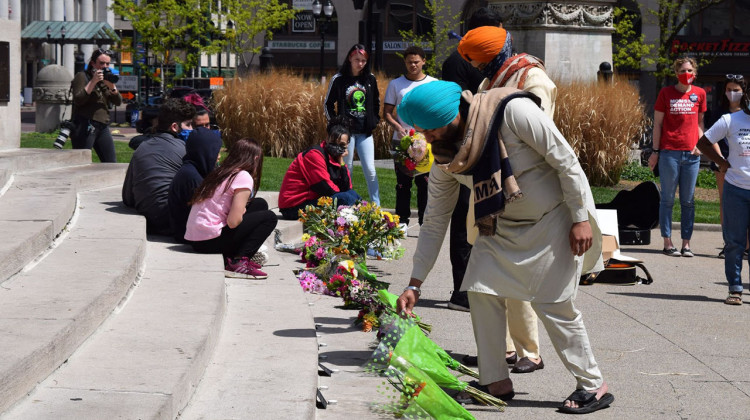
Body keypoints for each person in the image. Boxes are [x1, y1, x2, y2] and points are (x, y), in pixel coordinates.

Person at [396, 81, 612, 414]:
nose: (428, 138)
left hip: (554, 221)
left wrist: (581, 218)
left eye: (433, 129)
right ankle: (494, 380)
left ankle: (593, 385)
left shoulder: (512, 112)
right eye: (423, 132)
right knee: (480, 291)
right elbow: (435, 219)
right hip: (498, 226)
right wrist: (415, 283)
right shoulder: (445, 156)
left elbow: (566, 161)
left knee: (553, 304)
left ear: (453, 114)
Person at [456, 23, 562, 374]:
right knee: (487, 281)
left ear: (495, 55)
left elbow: (538, 139)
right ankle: (498, 351)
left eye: (480, 61)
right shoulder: (493, 80)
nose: (478, 70)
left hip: (521, 191)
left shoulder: (531, 80)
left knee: (516, 278)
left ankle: (529, 351)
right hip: (490, 188)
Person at [439, 7, 498, 313]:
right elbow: (454, 108)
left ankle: (475, 286)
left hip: (483, 151)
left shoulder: (488, 63)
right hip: (464, 152)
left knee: (477, 221)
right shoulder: (456, 63)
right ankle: (461, 292)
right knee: (463, 221)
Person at [185, 138, 278, 279]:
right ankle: (239, 261)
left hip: (196, 239)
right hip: (209, 241)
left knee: (260, 204)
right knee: (269, 217)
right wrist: (240, 213)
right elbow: (233, 222)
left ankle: (235, 255)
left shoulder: (220, 172)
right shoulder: (243, 176)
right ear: (256, 158)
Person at [697, 75, 750, 306]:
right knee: (735, 242)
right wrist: (722, 162)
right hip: (736, 188)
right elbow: (703, 143)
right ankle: (735, 289)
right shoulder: (730, 120)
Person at [648, 57, 706, 258]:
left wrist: (701, 146)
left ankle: (686, 244)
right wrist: (655, 152)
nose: (687, 74)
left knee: (688, 201)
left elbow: (699, 124)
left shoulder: (700, 94)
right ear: (676, 73)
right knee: (667, 199)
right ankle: (667, 242)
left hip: (692, 155)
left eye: (690, 70)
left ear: (695, 73)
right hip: (669, 153)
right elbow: (657, 124)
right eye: (683, 70)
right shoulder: (666, 93)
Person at [122, 98, 196, 234]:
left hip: (149, 218)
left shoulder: (141, 148)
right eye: (189, 124)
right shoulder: (185, 150)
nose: (192, 129)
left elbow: (127, 197)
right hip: (173, 221)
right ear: (174, 127)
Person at [383, 46, 437, 228]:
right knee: (403, 183)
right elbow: (387, 113)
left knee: (425, 182)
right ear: (404, 63)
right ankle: (401, 221)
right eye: (409, 62)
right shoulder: (396, 84)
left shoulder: (433, 83)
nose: (413, 65)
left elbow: (437, 111)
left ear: (424, 61)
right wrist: (397, 127)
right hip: (402, 140)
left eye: (416, 62)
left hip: (425, 141)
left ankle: (424, 222)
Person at [324, 44, 381, 205]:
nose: (360, 63)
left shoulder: (370, 79)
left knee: (370, 169)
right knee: (346, 168)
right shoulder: (339, 79)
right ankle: (345, 202)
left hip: (365, 132)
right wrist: (335, 125)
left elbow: (376, 103)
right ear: (350, 58)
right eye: (357, 59)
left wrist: (374, 120)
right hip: (346, 134)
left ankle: (376, 206)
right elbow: (328, 104)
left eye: (363, 60)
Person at [704, 75, 748, 258]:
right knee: (726, 203)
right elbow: (711, 138)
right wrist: (721, 160)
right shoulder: (719, 113)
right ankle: (728, 243)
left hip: (745, 163)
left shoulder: (747, 112)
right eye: (729, 89)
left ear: (743, 92)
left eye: (736, 90)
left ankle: (746, 245)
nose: (732, 93)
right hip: (725, 164)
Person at [278, 123, 361, 220]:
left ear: (347, 145)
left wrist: (341, 163)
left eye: (342, 145)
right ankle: (363, 220)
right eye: (334, 142)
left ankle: (364, 220)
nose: (337, 147)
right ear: (327, 138)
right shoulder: (314, 154)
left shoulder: (335, 158)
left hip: (313, 200)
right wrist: (342, 192)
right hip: (293, 207)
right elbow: (325, 188)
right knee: (345, 198)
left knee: (352, 194)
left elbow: (347, 187)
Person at [167, 127, 224, 243]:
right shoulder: (192, 177)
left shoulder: (194, 170)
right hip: (190, 235)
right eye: (216, 152)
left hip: (192, 231)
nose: (219, 156)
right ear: (205, 152)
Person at [70, 49, 121, 162]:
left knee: (111, 163)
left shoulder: (106, 79)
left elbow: (118, 102)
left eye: (107, 63)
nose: (105, 66)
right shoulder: (82, 76)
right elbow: (78, 99)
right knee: (81, 161)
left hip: (102, 126)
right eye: (101, 63)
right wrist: (93, 82)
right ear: (93, 64)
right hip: (85, 125)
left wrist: (112, 87)